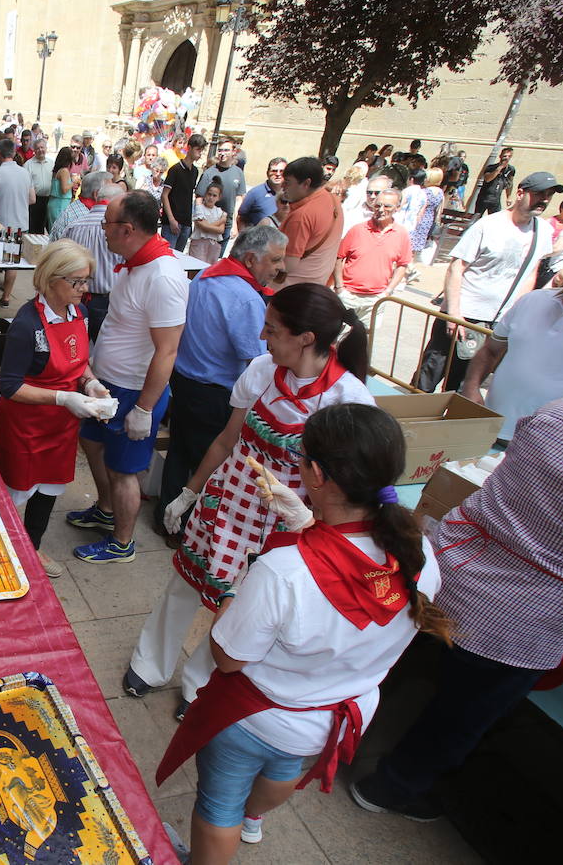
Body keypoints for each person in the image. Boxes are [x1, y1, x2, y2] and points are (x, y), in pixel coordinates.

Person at [156, 404, 449, 863]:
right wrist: (309, 526)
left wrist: (232, 594)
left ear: (315, 473)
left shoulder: (284, 570)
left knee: (217, 806)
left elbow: (229, 656)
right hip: (330, 715)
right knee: (283, 768)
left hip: (259, 715)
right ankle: (254, 819)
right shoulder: (417, 553)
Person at [352, 393, 563, 823]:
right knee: (459, 717)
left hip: (450, 570)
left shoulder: (561, 415)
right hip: (525, 624)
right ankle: (390, 787)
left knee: (386, 662)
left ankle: (331, 738)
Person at [128, 284, 375, 710]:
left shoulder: (347, 399)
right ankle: (150, 662)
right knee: (186, 584)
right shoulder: (262, 371)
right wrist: (189, 492)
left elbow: (349, 486)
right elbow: (227, 440)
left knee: (239, 605)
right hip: (231, 497)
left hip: (286, 518)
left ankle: (199, 684)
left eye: (272, 330)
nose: (263, 337)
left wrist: (309, 520)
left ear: (306, 338)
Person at [68, 191, 188, 564]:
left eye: (107, 224)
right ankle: (106, 510)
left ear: (127, 229)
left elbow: (167, 350)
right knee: (92, 446)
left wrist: (144, 409)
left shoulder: (163, 277)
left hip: (133, 391)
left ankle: (122, 541)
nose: (101, 230)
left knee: (124, 471)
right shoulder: (135, 264)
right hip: (108, 384)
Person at [0, 240, 115, 579]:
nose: (84, 289)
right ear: (51, 279)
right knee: (15, 497)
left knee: (48, 492)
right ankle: (1, 554)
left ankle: (32, 550)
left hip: (60, 430)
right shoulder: (26, 324)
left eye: (86, 280)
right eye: (77, 281)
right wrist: (62, 398)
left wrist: (90, 385)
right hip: (25, 431)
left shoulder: (81, 314)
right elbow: (10, 386)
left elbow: (80, 363)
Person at [153, 227, 287, 536]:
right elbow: (257, 359)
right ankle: (189, 529)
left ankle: (167, 519)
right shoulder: (244, 298)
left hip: (186, 382)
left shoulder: (206, 276)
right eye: (276, 260)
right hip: (215, 394)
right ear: (252, 259)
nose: (280, 268)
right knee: (207, 464)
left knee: (180, 452)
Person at [459, 228, 563, 440]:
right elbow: (490, 350)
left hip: (550, 448)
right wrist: (471, 389)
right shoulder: (533, 300)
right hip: (488, 430)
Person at [414, 171, 561, 393]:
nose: (545, 200)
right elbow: (457, 267)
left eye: (549, 195)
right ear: (520, 193)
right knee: (429, 374)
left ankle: (444, 424)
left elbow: (531, 273)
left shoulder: (543, 231)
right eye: (539, 194)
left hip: (496, 322)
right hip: (463, 315)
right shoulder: (488, 225)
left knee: (464, 384)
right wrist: (453, 313)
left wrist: (514, 315)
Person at [334, 188, 413, 326]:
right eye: (377, 205)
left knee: (364, 341)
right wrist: (339, 287)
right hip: (348, 295)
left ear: (397, 208)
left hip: (376, 299)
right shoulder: (357, 230)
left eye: (387, 206)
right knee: (336, 338)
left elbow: (403, 264)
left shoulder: (401, 234)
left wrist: (388, 291)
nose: (381, 210)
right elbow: (338, 258)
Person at [66, 183, 127, 341]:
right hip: (105, 301)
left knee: (76, 347)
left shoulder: (73, 226)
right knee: (102, 350)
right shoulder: (119, 230)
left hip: (74, 297)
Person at [275, 157, 342, 290]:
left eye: (287, 182)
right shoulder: (333, 200)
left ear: (306, 183)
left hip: (291, 289)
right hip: (316, 284)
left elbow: (288, 264)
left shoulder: (302, 216)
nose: (282, 186)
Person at [0, 137, 35, 307]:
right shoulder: (25, 172)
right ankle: (6, 297)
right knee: (12, 261)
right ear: (14, 153)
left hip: (0, 224)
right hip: (21, 224)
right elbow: (32, 199)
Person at [195, 138, 247, 243]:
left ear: (234, 152)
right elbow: (199, 198)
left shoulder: (238, 173)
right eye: (220, 150)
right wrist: (200, 220)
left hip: (226, 224)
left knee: (218, 258)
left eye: (226, 150)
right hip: (206, 224)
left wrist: (235, 225)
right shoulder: (209, 173)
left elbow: (238, 199)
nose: (222, 153)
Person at [163, 134, 207, 250]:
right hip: (172, 221)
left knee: (180, 258)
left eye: (201, 150)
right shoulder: (175, 170)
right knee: (168, 255)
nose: (199, 153)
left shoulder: (195, 171)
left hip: (186, 222)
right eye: (197, 149)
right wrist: (171, 219)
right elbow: (165, 195)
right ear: (189, 148)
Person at [236, 158, 287, 232]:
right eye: (274, 171)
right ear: (267, 173)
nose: (278, 174)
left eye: (281, 171)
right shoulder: (255, 193)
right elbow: (241, 218)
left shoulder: (292, 194)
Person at [409, 167, 445, 264]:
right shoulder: (440, 192)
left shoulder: (424, 191)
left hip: (419, 218)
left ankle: (408, 266)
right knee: (416, 246)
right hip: (429, 219)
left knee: (410, 244)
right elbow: (440, 209)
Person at [189, 180, 227, 265]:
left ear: (219, 197)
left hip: (213, 245)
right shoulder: (200, 209)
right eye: (209, 194)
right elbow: (203, 227)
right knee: (195, 267)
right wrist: (220, 221)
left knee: (208, 270)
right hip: (199, 243)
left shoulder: (219, 211)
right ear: (205, 194)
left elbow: (221, 230)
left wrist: (208, 226)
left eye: (214, 196)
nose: (211, 198)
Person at [25, 139, 55, 234]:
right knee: (35, 229)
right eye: (37, 148)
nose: (40, 150)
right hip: (34, 201)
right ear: (34, 150)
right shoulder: (28, 165)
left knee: (50, 228)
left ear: (46, 148)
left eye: (42, 147)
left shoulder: (52, 163)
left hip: (49, 200)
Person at [473, 147, 515, 215]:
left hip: (496, 200)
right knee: (477, 217)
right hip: (484, 198)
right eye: (505, 156)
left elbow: (510, 183)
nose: (506, 158)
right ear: (500, 156)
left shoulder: (511, 169)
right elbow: (487, 179)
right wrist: (499, 168)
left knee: (495, 219)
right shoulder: (491, 167)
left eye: (509, 156)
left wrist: (509, 197)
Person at [45, 146, 77, 232]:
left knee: (53, 229)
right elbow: (64, 189)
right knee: (59, 231)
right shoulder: (64, 171)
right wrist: (74, 182)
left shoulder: (57, 170)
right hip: (60, 203)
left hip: (55, 202)